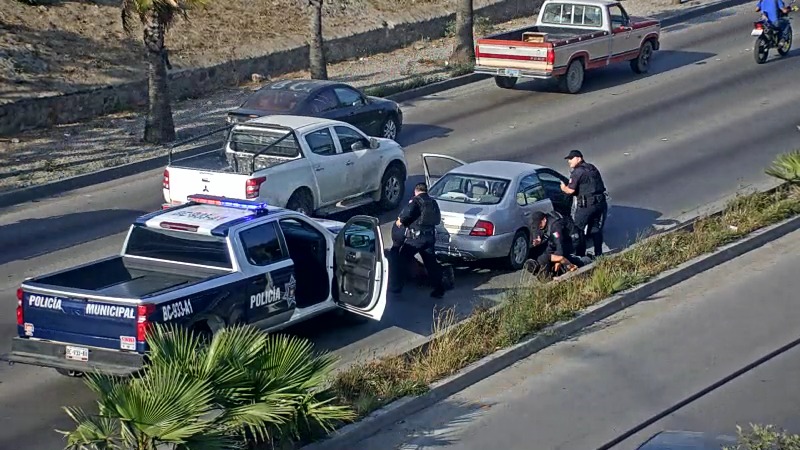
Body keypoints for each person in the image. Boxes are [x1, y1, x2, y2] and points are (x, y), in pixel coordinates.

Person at [392, 182, 446, 298]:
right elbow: (437, 220)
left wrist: (400, 221)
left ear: (416, 191)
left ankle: (396, 287)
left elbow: (408, 212)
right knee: (431, 263)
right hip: (430, 237)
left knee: (401, 259)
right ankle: (439, 289)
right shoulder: (433, 202)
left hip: (416, 239)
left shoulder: (416, 201)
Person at [560, 150, 608, 257]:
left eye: (571, 159)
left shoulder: (577, 172)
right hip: (600, 203)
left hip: (586, 205)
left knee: (578, 229)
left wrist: (563, 188)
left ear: (579, 158)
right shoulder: (592, 168)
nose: (569, 161)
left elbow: (570, 191)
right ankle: (598, 254)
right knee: (595, 228)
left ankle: (581, 255)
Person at [522, 210, 586, 278]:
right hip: (557, 240)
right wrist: (537, 238)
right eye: (537, 225)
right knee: (546, 252)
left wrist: (558, 260)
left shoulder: (555, 226)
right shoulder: (541, 223)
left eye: (539, 224)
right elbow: (535, 230)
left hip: (572, 240)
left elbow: (559, 244)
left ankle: (582, 261)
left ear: (544, 220)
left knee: (565, 259)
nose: (539, 226)